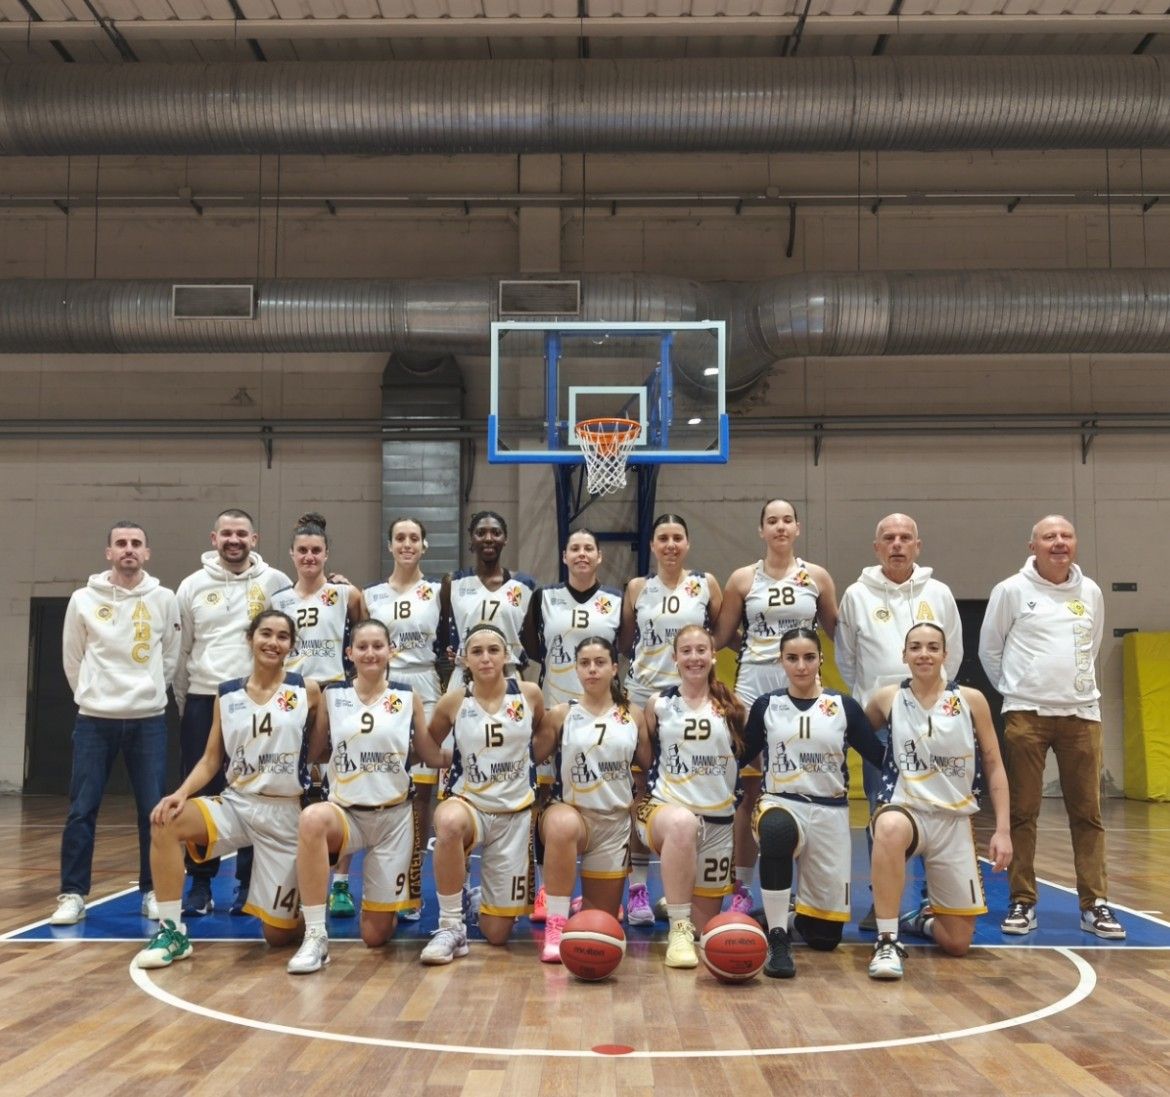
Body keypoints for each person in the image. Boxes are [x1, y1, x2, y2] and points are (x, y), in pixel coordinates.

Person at [134, 610, 325, 969]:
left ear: (291, 645)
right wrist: (180, 793)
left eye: (282, 637)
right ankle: (173, 932)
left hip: (284, 812)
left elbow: (317, 749)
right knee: (165, 820)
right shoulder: (227, 694)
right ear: (251, 638)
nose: (273, 642)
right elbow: (210, 760)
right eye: (265, 633)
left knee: (277, 936)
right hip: (237, 803)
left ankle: (302, 913)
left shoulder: (308, 690)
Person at [978, 514, 1125, 940]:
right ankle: (1023, 901)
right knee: (1023, 812)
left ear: (1075, 543)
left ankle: (1094, 904)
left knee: (1088, 814)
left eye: (1066, 535)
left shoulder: (1091, 592)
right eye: (1049, 537)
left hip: (1082, 715)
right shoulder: (1010, 591)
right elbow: (990, 649)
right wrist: (1017, 691)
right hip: (1026, 716)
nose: (1059, 542)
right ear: (1033, 546)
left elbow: (1091, 645)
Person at [287, 620, 448, 974]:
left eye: (378, 646)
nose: (371, 652)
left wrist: (475, 754)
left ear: (391, 651)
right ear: (350, 653)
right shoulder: (333, 696)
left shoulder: (408, 697)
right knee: (312, 819)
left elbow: (429, 754)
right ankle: (315, 935)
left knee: (376, 936)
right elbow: (315, 751)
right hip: (346, 813)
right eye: (363, 646)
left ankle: (376, 902)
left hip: (393, 819)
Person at [51, 521, 182, 926]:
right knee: (81, 810)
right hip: (95, 720)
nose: (129, 549)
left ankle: (152, 891)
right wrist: (92, 695)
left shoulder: (164, 598)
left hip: (148, 721)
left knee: (153, 812)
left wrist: (149, 693)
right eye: (121, 543)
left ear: (147, 552)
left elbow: (171, 656)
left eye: (136, 544)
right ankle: (72, 894)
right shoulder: (82, 599)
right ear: (108, 552)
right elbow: (73, 659)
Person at [835, 512, 962, 928]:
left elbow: (953, 653)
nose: (897, 544)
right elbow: (847, 661)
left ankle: (934, 898)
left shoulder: (939, 592)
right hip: (880, 722)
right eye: (888, 538)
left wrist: (927, 702)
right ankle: (881, 901)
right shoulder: (856, 594)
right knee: (881, 810)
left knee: (938, 807)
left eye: (905, 537)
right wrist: (882, 703)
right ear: (876, 548)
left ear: (917, 546)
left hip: (933, 720)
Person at [864, 623, 1012, 980]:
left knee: (957, 943)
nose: (924, 654)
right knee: (888, 825)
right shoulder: (886, 699)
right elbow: (855, 736)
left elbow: (993, 763)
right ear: (904, 655)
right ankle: (886, 940)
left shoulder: (971, 700)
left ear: (946, 655)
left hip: (954, 820)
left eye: (932, 647)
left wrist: (1003, 830)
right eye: (915, 647)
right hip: (907, 810)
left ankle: (924, 920)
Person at [713, 498, 838, 916]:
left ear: (798, 528)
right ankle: (743, 887)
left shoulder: (816, 577)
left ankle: (806, 889)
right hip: (753, 688)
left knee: (801, 788)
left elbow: (837, 632)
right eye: (772, 521)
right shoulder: (742, 579)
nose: (780, 527)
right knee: (750, 791)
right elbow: (724, 635)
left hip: (802, 686)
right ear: (761, 531)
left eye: (787, 520)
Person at [741, 627, 885, 978]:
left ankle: (787, 916)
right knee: (775, 831)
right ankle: (777, 937)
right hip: (780, 801)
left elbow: (880, 757)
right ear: (781, 661)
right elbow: (741, 754)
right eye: (792, 658)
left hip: (830, 811)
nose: (801, 666)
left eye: (808, 657)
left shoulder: (843, 706)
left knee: (824, 939)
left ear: (821, 659)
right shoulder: (767, 705)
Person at [173, 508, 291, 916]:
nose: (234, 540)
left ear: (254, 539)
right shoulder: (190, 586)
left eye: (241, 533)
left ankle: (247, 886)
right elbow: (181, 650)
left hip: (258, 700)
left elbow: (295, 627)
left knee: (255, 790)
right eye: (227, 533)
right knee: (202, 790)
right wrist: (188, 703)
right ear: (214, 538)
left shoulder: (276, 582)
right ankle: (200, 885)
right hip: (206, 698)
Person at [419, 623, 546, 964]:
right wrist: (451, 759)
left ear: (507, 655)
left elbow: (541, 737)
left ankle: (478, 898)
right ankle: (451, 927)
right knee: (446, 821)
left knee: (497, 934)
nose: (486, 658)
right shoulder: (454, 700)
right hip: (470, 802)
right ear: (464, 659)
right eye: (477, 651)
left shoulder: (529, 694)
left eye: (493, 650)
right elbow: (432, 744)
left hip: (514, 812)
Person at [620, 513, 722, 926]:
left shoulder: (706, 584)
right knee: (640, 787)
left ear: (687, 543)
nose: (670, 545)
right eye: (663, 537)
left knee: (692, 782)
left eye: (677, 537)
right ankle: (639, 890)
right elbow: (626, 639)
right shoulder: (637, 588)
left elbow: (724, 631)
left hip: (692, 692)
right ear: (653, 545)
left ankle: (696, 889)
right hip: (645, 692)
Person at [523, 526, 622, 921]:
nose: (582, 555)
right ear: (564, 556)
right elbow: (533, 646)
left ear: (599, 557)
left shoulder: (616, 600)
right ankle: (548, 890)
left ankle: (611, 889)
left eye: (589, 549)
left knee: (601, 796)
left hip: (599, 711)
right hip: (556, 707)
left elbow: (624, 644)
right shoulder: (543, 598)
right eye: (574, 549)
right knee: (547, 801)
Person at [531, 637, 650, 963]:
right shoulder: (560, 714)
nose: (592, 669)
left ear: (615, 668)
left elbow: (652, 765)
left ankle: (584, 904)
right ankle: (556, 923)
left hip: (613, 823)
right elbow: (527, 757)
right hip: (573, 815)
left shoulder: (634, 715)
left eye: (600, 662)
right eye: (585, 663)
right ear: (576, 668)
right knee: (562, 824)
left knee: (600, 930)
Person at [271, 512, 365, 916]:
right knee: (296, 785)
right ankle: (298, 878)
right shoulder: (278, 602)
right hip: (293, 697)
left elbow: (366, 642)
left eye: (316, 551)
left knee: (339, 785)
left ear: (327, 555)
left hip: (335, 693)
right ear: (292, 554)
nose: (309, 557)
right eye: (303, 551)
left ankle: (341, 884)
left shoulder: (348, 596)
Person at [635, 624, 746, 969]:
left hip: (717, 822)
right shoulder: (659, 703)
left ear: (713, 655)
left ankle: (678, 902)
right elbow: (645, 760)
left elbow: (747, 760)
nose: (694, 657)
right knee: (683, 823)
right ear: (675, 657)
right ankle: (677, 928)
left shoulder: (732, 707)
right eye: (686, 651)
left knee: (705, 932)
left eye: (701, 650)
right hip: (666, 812)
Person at [365, 517, 449, 922]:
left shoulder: (437, 592)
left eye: (414, 537)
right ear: (390, 544)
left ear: (424, 545)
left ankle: (413, 885)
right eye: (399, 537)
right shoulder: (370, 595)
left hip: (425, 689)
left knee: (421, 792)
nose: (407, 544)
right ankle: (382, 882)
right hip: (381, 692)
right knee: (385, 788)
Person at [444, 511, 537, 687]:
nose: (488, 538)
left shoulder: (524, 584)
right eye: (481, 533)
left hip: (508, 673)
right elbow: (442, 636)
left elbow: (531, 643)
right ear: (471, 539)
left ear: (505, 539)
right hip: (464, 674)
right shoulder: (453, 582)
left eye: (496, 532)